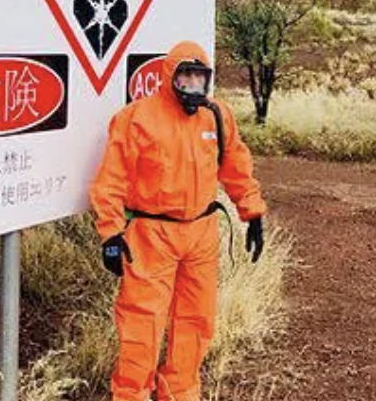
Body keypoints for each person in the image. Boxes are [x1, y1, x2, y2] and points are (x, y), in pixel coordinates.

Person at [89, 40, 266, 401]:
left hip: (201, 234)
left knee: (196, 321)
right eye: (184, 76)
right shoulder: (136, 119)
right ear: (169, 77)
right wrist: (110, 233)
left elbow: (235, 166)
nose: (192, 85)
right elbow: (111, 179)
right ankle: (131, 395)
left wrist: (253, 213)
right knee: (142, 323)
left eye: (199, 78)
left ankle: (180, 393)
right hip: (151, 235)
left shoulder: (217, 116)